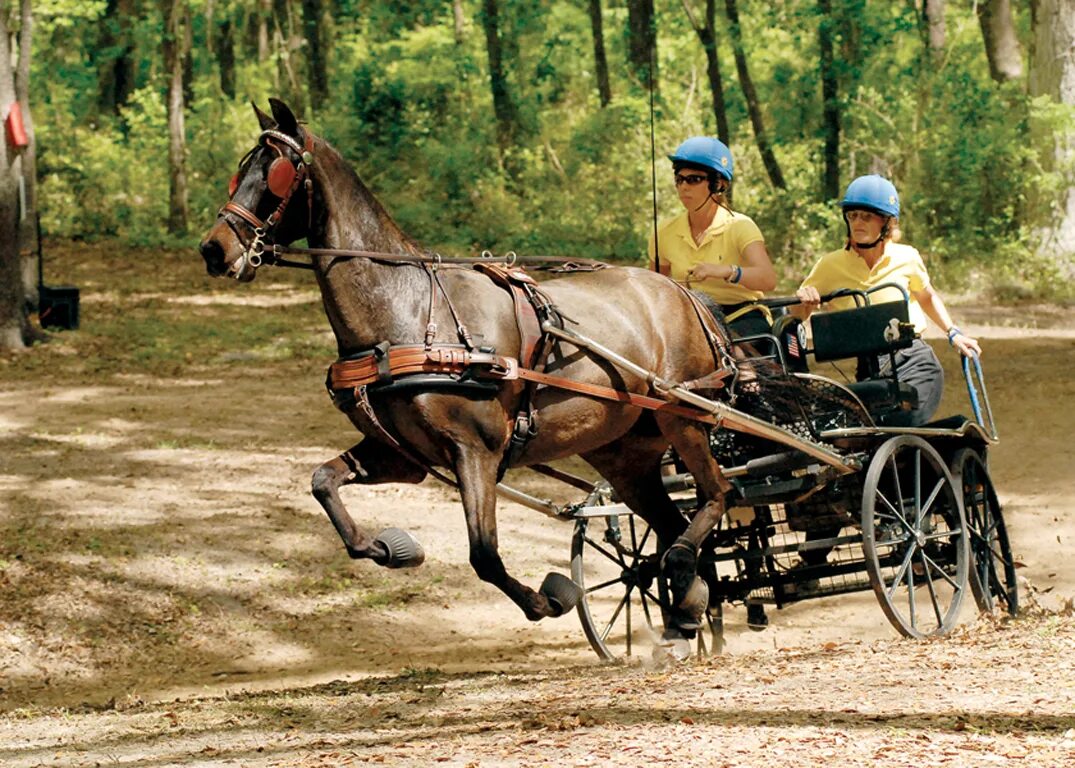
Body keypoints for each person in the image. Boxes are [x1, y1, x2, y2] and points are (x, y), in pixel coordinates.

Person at [794, 174, 981, 428]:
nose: (857, 222)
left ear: (887, 223)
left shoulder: (907, 257)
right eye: (853, 215)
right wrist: (804, 302)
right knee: (847, 435)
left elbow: (927, 296)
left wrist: (953, 332)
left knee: (897, 425)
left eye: (867, 216)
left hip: (913, 361)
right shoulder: (829, 265)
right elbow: (795, 315)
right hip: (869, 371)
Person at [649, 136, 777, 339]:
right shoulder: (664, 231)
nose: (683, 186)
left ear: (719, 185)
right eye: (679, 179)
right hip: (690, 316)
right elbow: (655, 287)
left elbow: (768, 280)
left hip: (741, 316)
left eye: (693, 179)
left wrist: (724, 271)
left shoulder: (741, 226)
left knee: (742, 364)